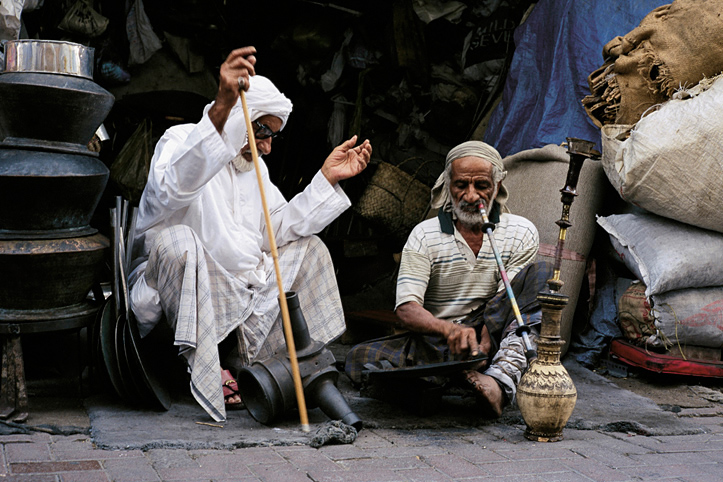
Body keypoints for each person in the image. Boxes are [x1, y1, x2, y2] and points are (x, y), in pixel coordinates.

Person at [128, 46, 372, 422]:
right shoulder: (179, 140)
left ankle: (267, 367)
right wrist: (222, 109)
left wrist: (326, 180)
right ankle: (207, 372)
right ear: (242, 119)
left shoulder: (254, 169)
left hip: (238, 293)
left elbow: (276, 231)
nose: (267, 147)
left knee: (309, 249)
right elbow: (174, 187)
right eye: (262, 132)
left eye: (273, 137)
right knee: (179, 243)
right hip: (173, 286)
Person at [345, 140, 551, 417]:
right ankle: (454, 376)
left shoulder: (521, 231)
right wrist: (449, 331)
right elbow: (407, 310)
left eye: (481, 186)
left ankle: (498, 382)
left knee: (540, 278)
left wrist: (486, 336)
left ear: (498, 186)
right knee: (358, 361)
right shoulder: (424, 235)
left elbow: (509, 300)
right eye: (460, 185)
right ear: (447, 186)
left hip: (494, 337)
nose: (470, 196)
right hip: (439, 340)